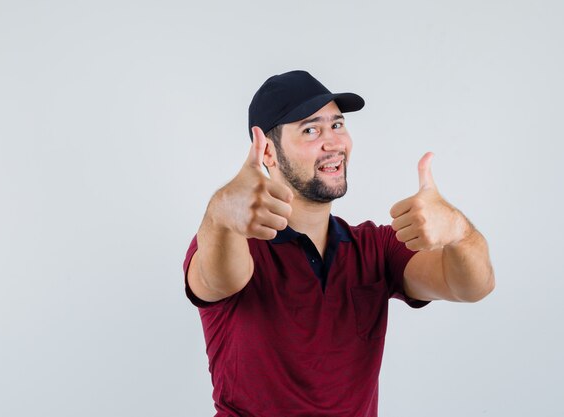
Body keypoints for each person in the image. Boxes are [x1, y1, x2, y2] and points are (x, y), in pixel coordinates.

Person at [182, 70, 495, 417]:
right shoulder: (233, 244)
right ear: (268, 153)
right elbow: (218, 278)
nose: (333, 143)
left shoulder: (374, 248)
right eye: (311, 130)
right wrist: (221, 211)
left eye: (337, 125)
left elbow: (471, 286)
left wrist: (458, 232)